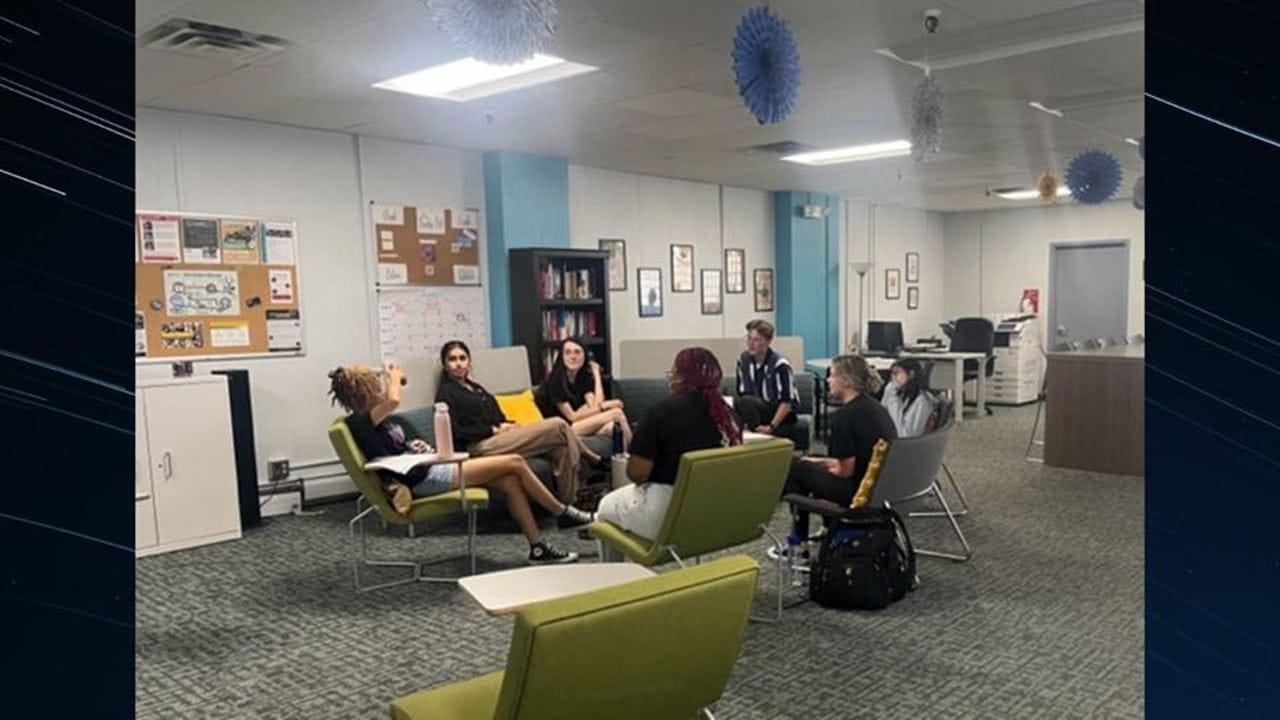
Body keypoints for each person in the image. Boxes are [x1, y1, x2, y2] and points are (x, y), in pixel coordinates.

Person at [327, 363, 591, 564]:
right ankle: (562, 512)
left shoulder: (375, 422)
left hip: (428, 470)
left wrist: (413, 447)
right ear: (364, 394)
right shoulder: (360, 421)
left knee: (510, 481)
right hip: (426, 480)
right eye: (376, 387)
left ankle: (538, 548)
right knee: (515, 462)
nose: (382, 390)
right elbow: (394, 399)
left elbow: (391, 450)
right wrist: (392, 374)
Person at [596, 348, 742, 541]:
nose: (670, 379)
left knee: (604, 507)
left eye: (673, 373)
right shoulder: (728, 415)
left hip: (667, 515)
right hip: (716, 512)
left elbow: (637, 473)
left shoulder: (660, 411)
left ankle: (631, 561)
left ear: (681, 377)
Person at [434, 340, 602, 505]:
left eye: (462, 358)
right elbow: (456, 433)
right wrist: (492, 430)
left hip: (501, 436)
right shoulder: (446, 394)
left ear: (469, 361)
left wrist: (509, 424)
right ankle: (592, 458)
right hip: (479, 445)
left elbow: (497, 415)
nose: (458, 364)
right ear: (445, 364)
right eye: (452, 359)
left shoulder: (476, 388)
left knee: (562, 448)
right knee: (558, 424)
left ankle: (569, 504)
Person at [782, 354, 897, 546]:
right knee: (810, 460)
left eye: (832, 375)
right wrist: (817, 462)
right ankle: (827, 528)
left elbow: (844, 470)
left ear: (846, 381)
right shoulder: (874, 408)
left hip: (859, 493)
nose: (828, 380)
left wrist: (816, 467)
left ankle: (798, 541)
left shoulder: (844, 417)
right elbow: (855, 459)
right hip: (880, 486)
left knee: (796, 469)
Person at [536, 338, 633, 446]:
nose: (573, 356)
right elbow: (572, 416)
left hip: (578, 425)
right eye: (568, 353)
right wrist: (605, 406)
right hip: (561, 430)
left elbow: (595, 405)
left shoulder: (581, 378)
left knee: (611, 427)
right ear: (562, 357)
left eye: (577, 352)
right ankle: (635, 451)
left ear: (584, 356)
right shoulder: (555, 380)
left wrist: (596, 374)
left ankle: (622, 456)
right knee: (617, 413)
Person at [734, 319, 799, 438]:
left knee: (746, 401)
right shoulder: (743, 360)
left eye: (756, 340)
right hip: (754, 407)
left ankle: (758, 436)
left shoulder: (780, 365)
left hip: (779, 412)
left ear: (768, 341)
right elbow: (741, 393)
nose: (751, 344)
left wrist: (771, 426)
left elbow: (787, 403)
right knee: (738, 402)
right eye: (749, 338)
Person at [880, 358, 940, 438]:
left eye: (896, 373)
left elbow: (904, 435)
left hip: (904, 443)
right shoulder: (903, 395)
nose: (892, 377)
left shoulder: (922, 401)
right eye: (892, 373)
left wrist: (892, 398)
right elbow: (882, 416)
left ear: (911, 374)